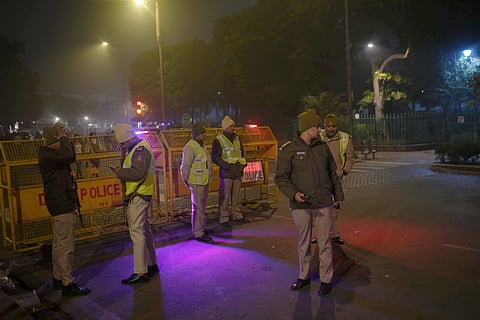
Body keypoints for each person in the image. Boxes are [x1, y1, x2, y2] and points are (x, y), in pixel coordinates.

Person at [275, 109, 344, 296]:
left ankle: (326, 279)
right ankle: (303, 276)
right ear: (306, 128)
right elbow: (281, 177)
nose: (319, 128)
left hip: (323, 203)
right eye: (316, 126)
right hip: (301, 206)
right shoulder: (288, 149)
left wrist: (338, 196)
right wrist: (294, 194)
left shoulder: (322, 147)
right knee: (303, 243)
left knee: (325, 243)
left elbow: (332, 173)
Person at [38, 125, 91, 297]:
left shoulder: (49, 156)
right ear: (55, 140)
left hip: (58, 202)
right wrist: (64, 138)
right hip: (61, 204)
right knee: (66, 245)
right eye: (60, 139)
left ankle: (58, 278)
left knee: (59, 243)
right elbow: (70, 156)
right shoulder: (50, 155)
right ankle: (68, 283)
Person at [111, 123, 158, 284]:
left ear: (129, 138)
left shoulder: (140, 150)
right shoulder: (139, 148)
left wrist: (120, 172)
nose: (122, 146)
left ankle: (140, 271)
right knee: (145, 230)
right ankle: (151, 265)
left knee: (137, 232)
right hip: (141, 193)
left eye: (123, 143)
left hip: (139, 194)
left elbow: (137, 173)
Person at [319, 113, 355, 245]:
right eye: (328, 126)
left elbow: (351, 157)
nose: (331, 129)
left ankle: (334, 234)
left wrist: (344, 171)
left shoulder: (344, 138)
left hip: (336, 179)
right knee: (320, 208)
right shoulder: (318, 137)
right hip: (320, 179)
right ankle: (320, 235)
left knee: (335, 208)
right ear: (324, 126)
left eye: (334, 126)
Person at [211, 116, 247, 227]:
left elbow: (241, 152)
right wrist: (226, 166)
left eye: (233, 125)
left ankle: (237, 215)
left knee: (236, 196)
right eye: (231, 126)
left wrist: (242, 164)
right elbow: (215, 157)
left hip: (237, 171)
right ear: (225, 127)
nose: (233, 128)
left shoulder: (237, 138)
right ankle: (224, 218)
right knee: (225, 197)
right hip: (227, 172)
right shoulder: (218, 140)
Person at [180, 122, 213, 243]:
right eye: (202, 133)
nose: (205, 134)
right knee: (198, 207)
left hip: (203, 181)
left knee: (202, 207)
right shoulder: (190, 147)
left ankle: (201, 228)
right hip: (196, 182)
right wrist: (186, 179)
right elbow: (185, 166)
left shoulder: (201, 145)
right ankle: (198, 232)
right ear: (197, 134)